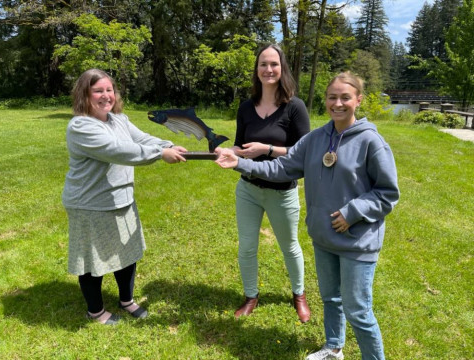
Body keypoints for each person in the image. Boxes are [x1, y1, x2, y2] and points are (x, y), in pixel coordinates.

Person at [216, 71, 399, 359]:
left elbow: (387, 193)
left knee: (358, 310)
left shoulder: (371, 142)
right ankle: (334, 347)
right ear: (325, 100)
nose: (337, 103)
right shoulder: (315, 139)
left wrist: (353, 212)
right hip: (324, 237)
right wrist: (240, 163)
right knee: (330, 298)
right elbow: (281, 169)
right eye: (332, 97)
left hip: (358, 243)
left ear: (358, 100)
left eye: (345, 98)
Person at [62, 69, 187, 325]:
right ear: (85, 94)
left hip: (122, 199)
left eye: (109, 90)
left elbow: (141, 138)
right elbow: (118, 150)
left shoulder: (118, 119)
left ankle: (126, 300)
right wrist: (159, 154)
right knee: (92, 259)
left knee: (127, 252)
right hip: (91, 204)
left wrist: (167, 145)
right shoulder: (81, 126)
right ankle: (95, 311)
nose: (106, 96)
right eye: (98, 90)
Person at [217, 44, 311, 322]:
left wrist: (266, 149)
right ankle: (250, 296)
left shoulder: (294, 107)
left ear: (282, 69)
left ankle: (299, 295)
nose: (268, 70)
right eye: (263, 64)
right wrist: (226, 152)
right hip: (248, 189)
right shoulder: (246, 107)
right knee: (246, 246)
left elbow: (303, 153)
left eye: (274, 64)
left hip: (282, 192)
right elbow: (238, 146)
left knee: (289, 245)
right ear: (256, 70)